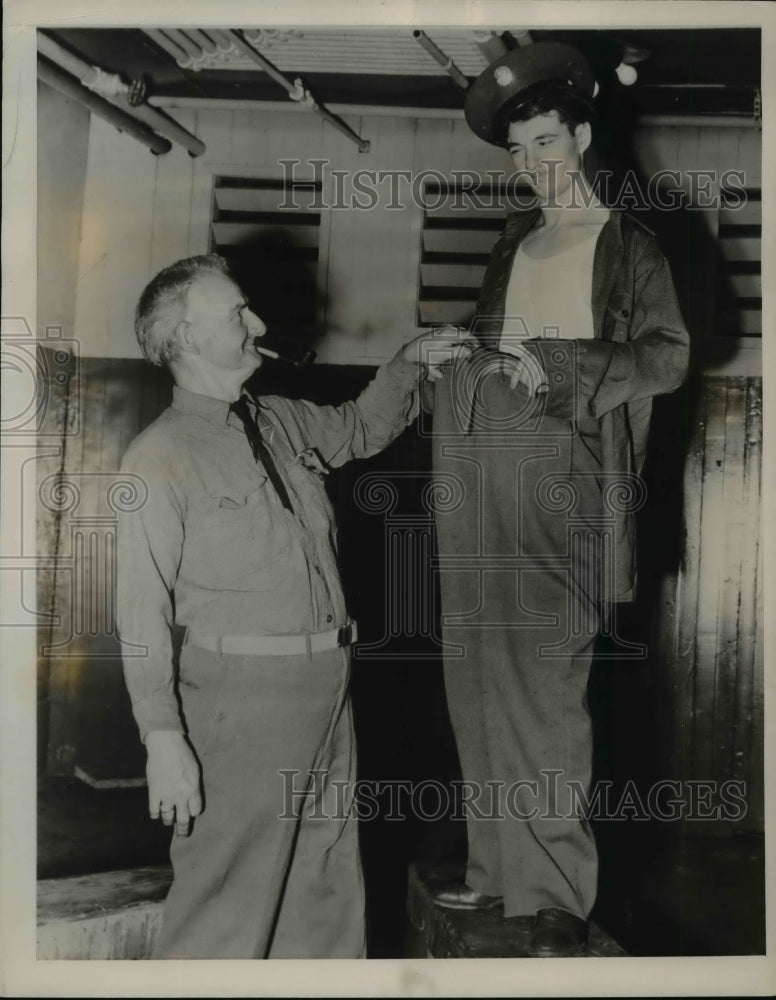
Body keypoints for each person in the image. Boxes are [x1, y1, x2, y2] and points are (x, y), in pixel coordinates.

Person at [116, 253, 471, 959]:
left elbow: (361, 428)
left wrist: (407, 363)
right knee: (225, 905)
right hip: (240, 702)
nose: (260, 324)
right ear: (186, 337)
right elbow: (139, 609)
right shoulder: (157, 458)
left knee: (325, 891)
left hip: (328, 685)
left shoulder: (276, 420)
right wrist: (162, 738)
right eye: (237, 314)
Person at [425, 43, 690, 957]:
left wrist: (567, 365)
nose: (534, 164)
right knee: (477, 671)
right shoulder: (514, 242)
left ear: (579, 136)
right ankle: (496, 870)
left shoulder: (631, 244)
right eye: (518, 152)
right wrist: (460, 353)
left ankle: (554, 894)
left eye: (546, 141)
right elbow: (501, 352)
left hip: (567, 471)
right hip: (481, 462)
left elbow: (668, 356)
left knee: (543, 681)